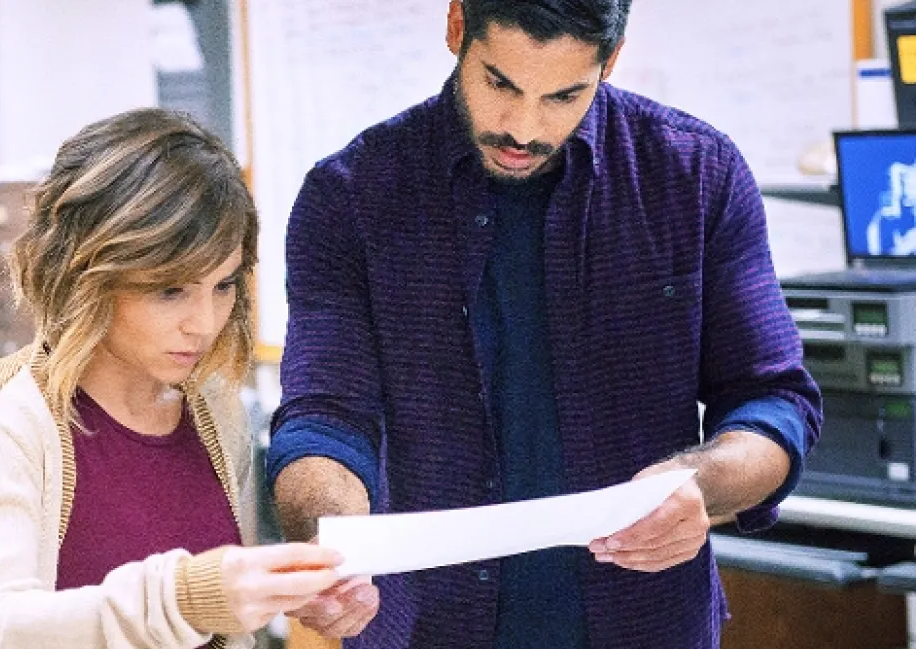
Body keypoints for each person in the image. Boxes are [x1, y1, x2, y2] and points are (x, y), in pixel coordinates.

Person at [265, 1, 822, 648]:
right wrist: (331, 546)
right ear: (456, 26)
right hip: (424, 628)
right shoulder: (351, 195)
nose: (522, 128)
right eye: (499, 83)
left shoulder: (695, 174)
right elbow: (325, 416)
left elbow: (774, 400)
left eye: (563, 95)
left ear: (610, 60)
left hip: (646, 625)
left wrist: (700, 484)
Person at [0, 108, 341, 649]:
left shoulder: (214, 405)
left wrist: (295, 593)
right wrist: (182, 598)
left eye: (223, 286)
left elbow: (229, 628)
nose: (203, 323)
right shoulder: (7, 417)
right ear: (88, 274)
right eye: (170, 290)